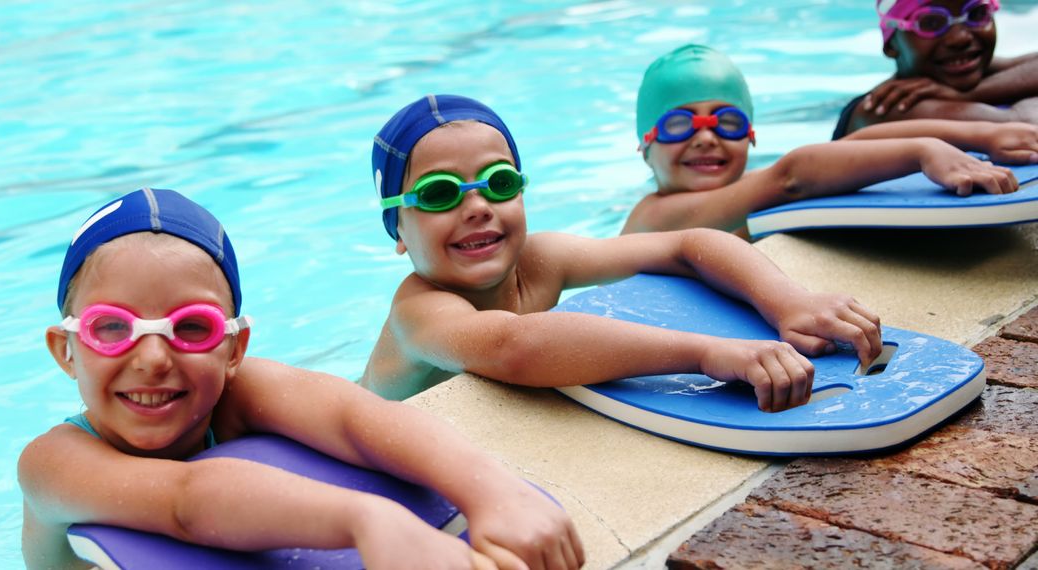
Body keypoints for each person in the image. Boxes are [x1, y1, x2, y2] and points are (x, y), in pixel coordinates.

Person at [19, 188, 583, 570]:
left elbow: (358, 417)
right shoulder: (52, 462)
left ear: (234, 348)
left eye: (191, 327)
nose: (153, 359)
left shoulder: (235, 394)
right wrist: (367, 519)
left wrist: (494, 491)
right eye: (112, 329)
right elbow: (184, 500)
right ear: (65, 351)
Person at [359, 94, 883, 409]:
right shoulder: (419, 310)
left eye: (497, 182)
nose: (476, 206)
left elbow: (687, 244)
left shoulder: (543, 259)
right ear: (398, 231)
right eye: (438, 193)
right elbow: (515, 347)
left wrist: (787, 301)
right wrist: (707, 353)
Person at [621, 44, 1022, 237]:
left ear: (752, 136)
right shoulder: (654, 218)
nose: (706, 138)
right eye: (679, 125)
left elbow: (856, 142)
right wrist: (921, 151)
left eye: (728, 122)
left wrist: (983, 134)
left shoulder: (744, 187)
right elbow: (793, 175)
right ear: (645, 147)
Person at [833, 0, 1038, 138]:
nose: (960, 38)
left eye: (976, 13)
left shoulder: (954, 71)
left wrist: (966, 95)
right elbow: (1025, 125)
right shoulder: (887, 108)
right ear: (891, 45)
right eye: (930, 23)